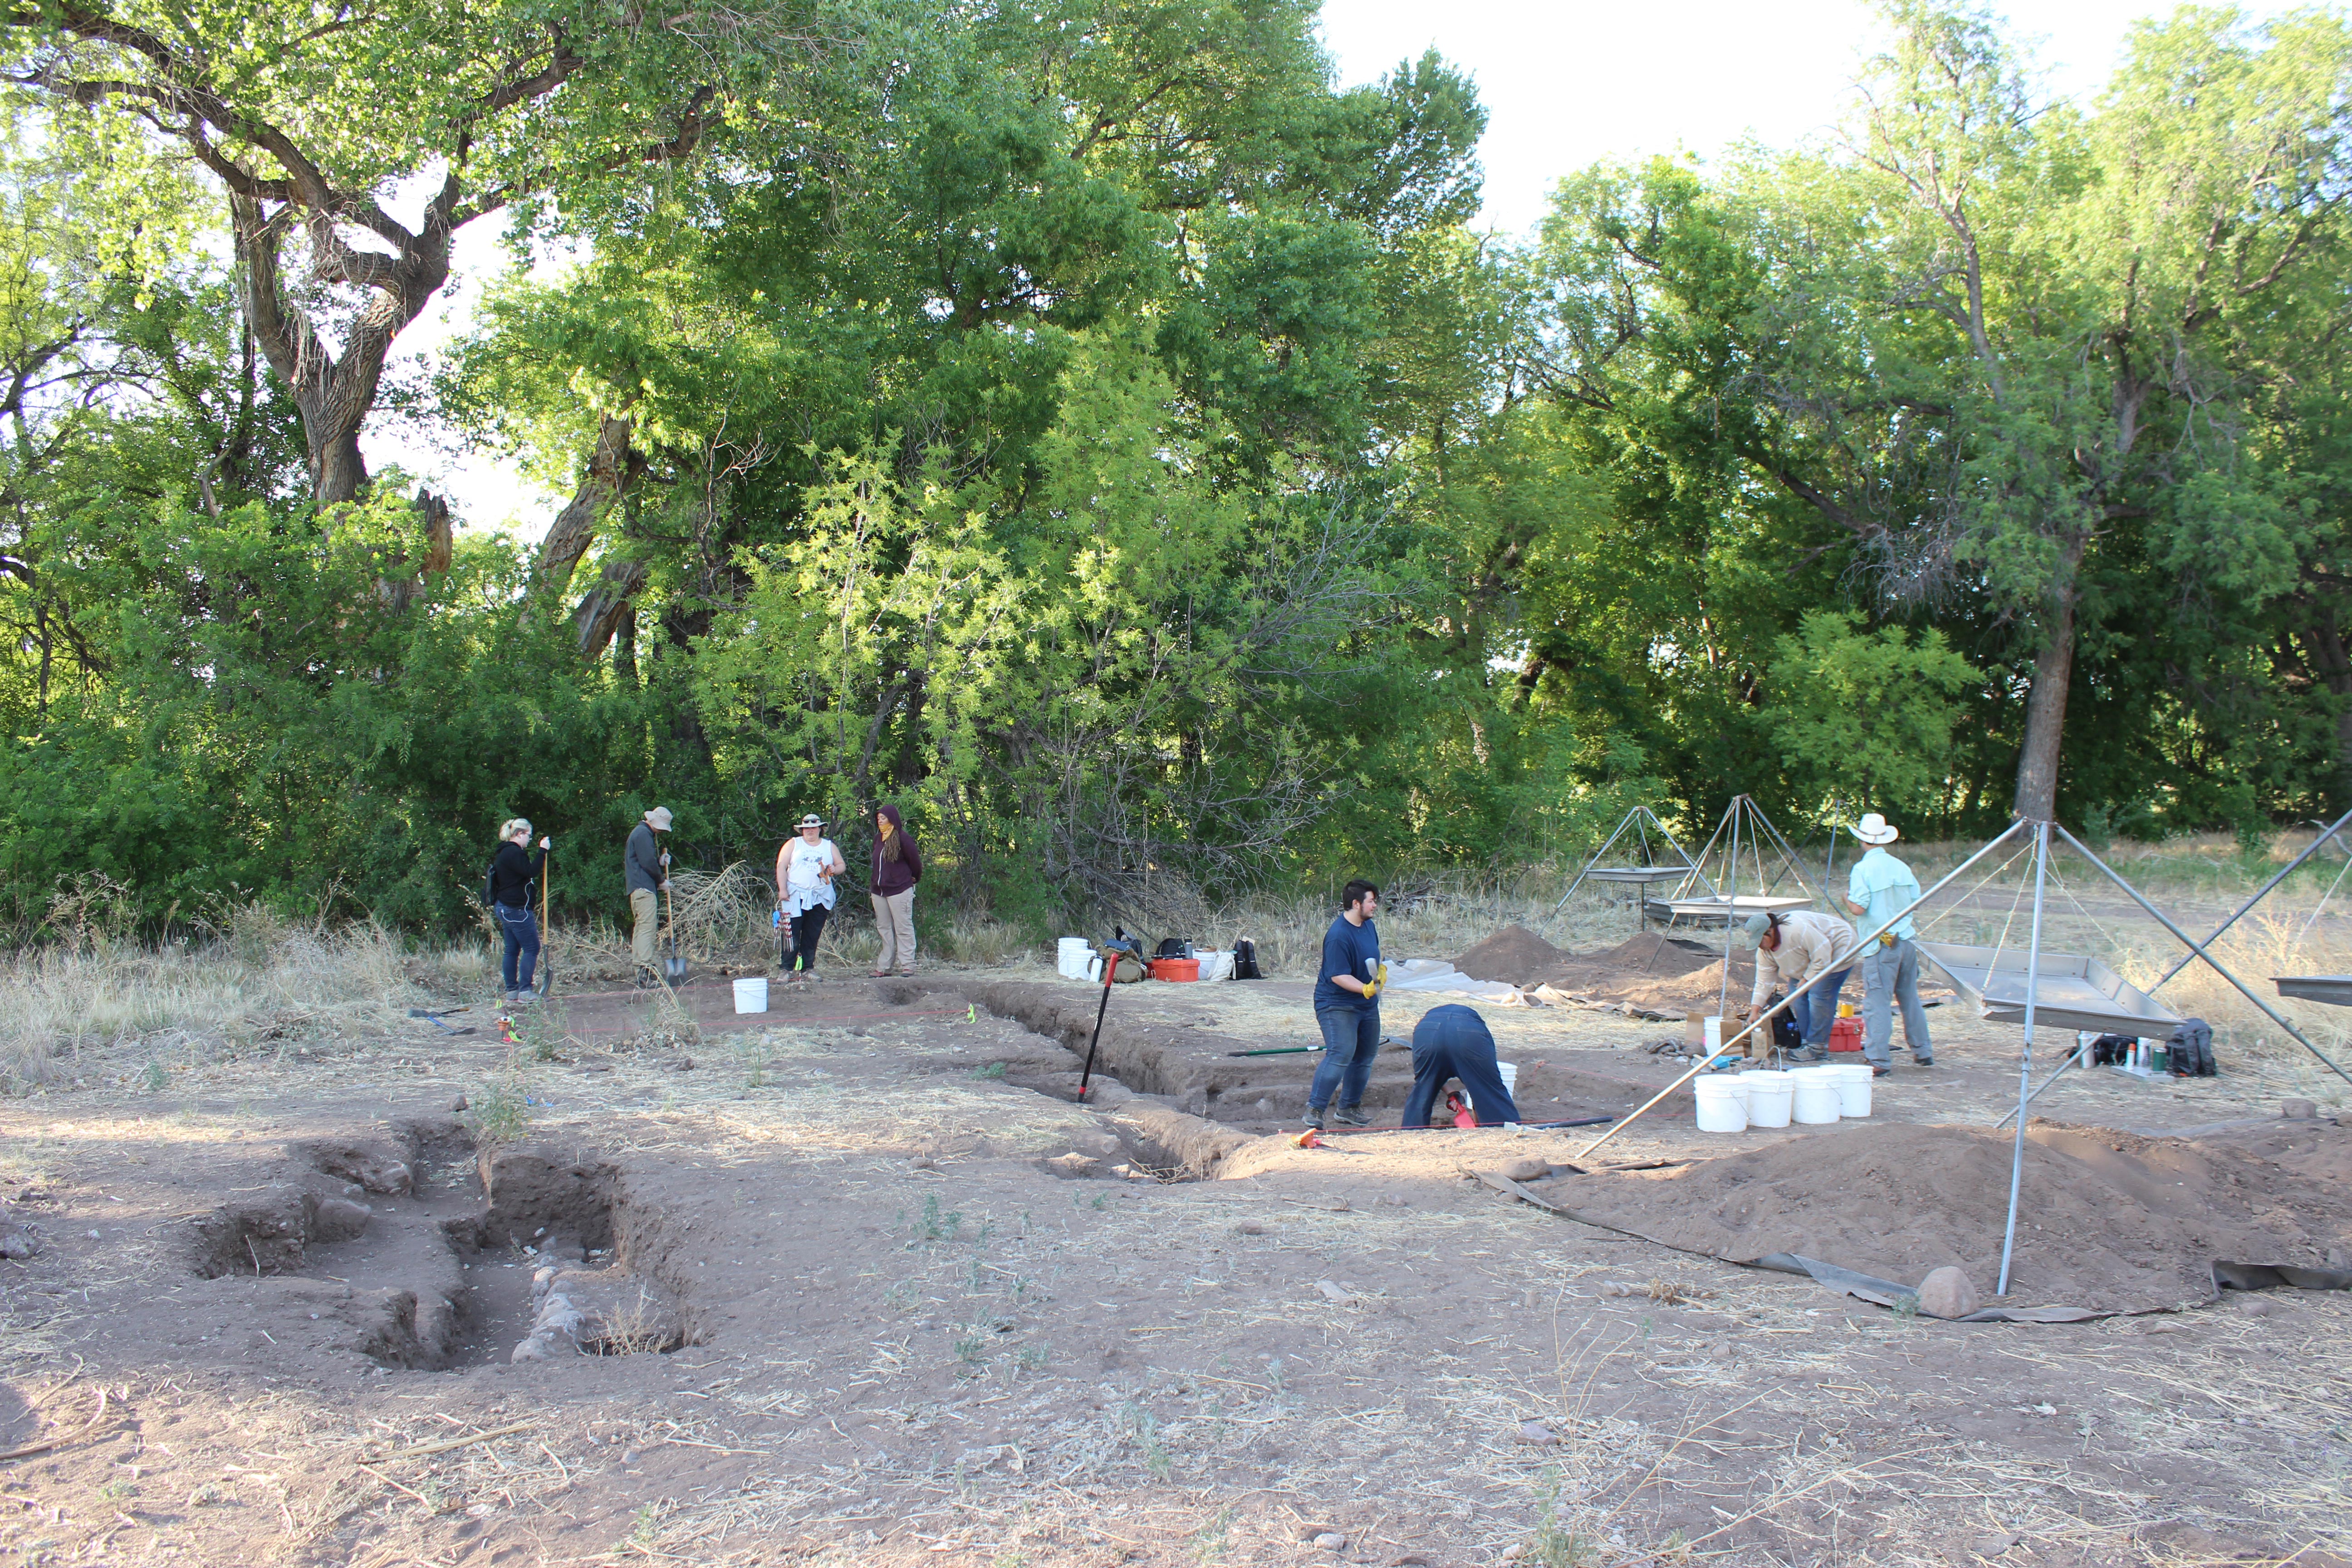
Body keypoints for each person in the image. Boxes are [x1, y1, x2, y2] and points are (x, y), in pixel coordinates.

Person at [1844, 811, 1933, 1074]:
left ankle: (1878, 1060)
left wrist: (1846, 899)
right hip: (1906, 939)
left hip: (1883, 942)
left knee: (1877, 1001)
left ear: (1862, 840)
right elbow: (1917, 898)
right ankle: (1923, 1051)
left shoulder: (1862, 869)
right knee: (1910, 997)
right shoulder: (1900, 866)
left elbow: (1859, 908)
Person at [1304, 879, 1384, 1130]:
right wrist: (1365, 988)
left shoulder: (1368, 926)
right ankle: (1315, 1110)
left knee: (1365, 1056)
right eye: (1371, 901)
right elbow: (1338, 976)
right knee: (1341, 1053)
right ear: (1356, 903)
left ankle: (1348, 1108)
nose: (1375, 906)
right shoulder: (1338, 936)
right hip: (1336, 1004)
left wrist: (1380, 972)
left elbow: (1373, 955)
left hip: (1366, 1004)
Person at [1740, 908, 1859, 1062]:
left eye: (1761, 941)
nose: (1760, 946)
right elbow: (1764, 982)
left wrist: (1807, 979)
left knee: (1819, 994)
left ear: (1770, 932)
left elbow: (1822, 954)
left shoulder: (1797, 931)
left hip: (1839, 946)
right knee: (1797, 996)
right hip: (1811, 959)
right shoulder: (1764, 952)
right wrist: (1755, 1011)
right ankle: (1805, 1042)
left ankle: (1818, 1047)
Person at [1402, 1004, 1520, 1128]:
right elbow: (1480, 1087)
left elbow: (1430, 1075)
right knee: (1489, 1092)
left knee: (1423, 1088)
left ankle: (1411, 1136)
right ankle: (1505, 1133)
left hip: (1428, 1030)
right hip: (1468, 1030)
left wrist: (1451, 1092)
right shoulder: (1472, 1025)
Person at [776, 813, 845, 980]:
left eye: (813, 827)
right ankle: (786, 969)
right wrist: (783, 889)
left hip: (820, 896)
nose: (810, 831)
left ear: (820, 829)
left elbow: (841, 865)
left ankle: (808, 968)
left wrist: (835, 870)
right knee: (791, 933)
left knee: (812, 933)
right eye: (806, 828)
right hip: (795, 895)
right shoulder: (794, 844)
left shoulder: (828, 846)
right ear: (802, 830)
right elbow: (781, 865)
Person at [489, 818, 549, 1005]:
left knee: (512, 949)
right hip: (516, 909)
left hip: (505, 907)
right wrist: (543, 850)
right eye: (529, 836)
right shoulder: (514, 853)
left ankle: (512, 992)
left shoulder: (505, 853)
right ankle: (525, 991)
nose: (529, 839)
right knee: (532, 948)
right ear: (520, 834)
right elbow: (531, 871)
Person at [869, 804, 922, 977]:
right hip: (879, 891)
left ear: (892, 819)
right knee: (884, 928)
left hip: (899, 889)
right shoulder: (878, 839)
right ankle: (884, 966)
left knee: (903, 927)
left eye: (883, 818)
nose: (880, 821)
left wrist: (913, 878)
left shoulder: (903, 838)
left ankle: (908, 964)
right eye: (878, 818)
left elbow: (915, 862)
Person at [625, 806, 672, 988]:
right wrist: (662, 881)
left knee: (641, 929)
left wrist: (660, 862)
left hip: (637, 889)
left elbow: (645, 861)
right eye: (661, 827)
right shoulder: (643, 834)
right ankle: (645, 971)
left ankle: (640, 970)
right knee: (647, 929)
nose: (661, 830)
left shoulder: (641, 833)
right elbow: (647, 864)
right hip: (644, 889)